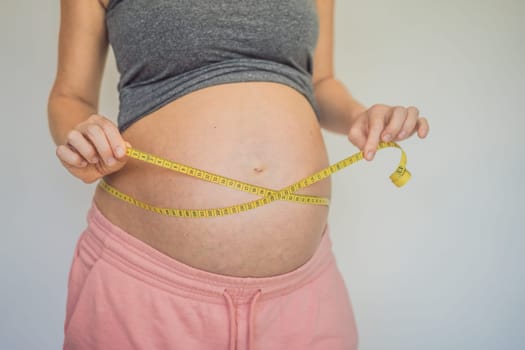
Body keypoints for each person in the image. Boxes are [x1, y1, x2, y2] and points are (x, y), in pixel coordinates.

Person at [47, 0, 429, 349]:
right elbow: (70, 97)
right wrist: (81, 137)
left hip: (303, 295)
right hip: (146, 286)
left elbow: (320, 82)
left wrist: (359, 116)